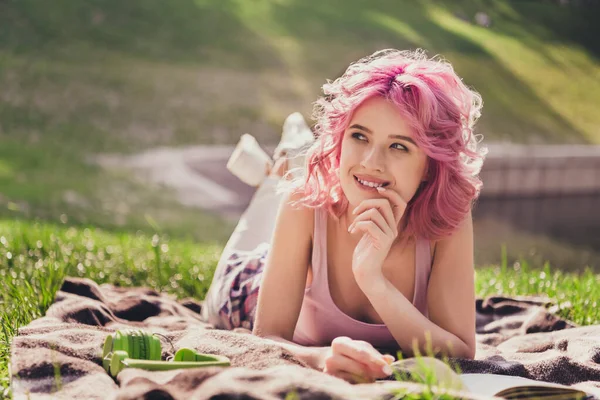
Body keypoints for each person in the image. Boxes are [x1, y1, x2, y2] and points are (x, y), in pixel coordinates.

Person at [201, 49, 487, 384]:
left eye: (399, 146)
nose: (371, 161)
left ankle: (290, 158)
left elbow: (461, 351)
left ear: (429, 165)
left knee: (289, 184)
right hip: (245, 288)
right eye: (359, 136)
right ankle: (281, 165)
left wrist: (372, 278)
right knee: (277, 193)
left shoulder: (446, 218)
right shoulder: (303, 204)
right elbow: (266, 341)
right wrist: (322, 357)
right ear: (340, 139)